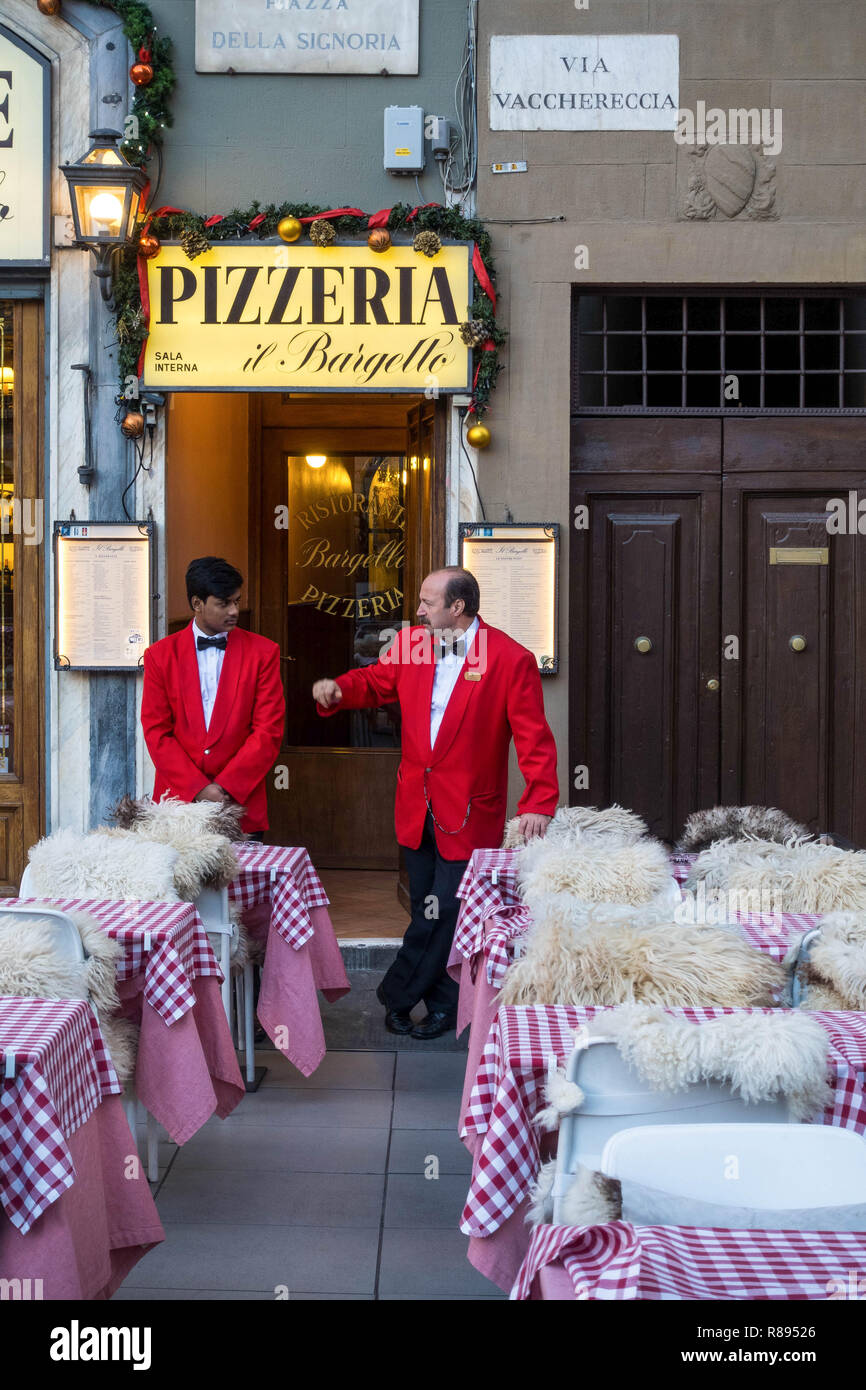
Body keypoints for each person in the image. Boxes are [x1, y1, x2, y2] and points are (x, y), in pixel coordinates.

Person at [313, 566, 558, 1038]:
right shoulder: (412, 645)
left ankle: (397, 993)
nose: (418, 611)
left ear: (457, 608)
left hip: (471, 809)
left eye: (427, 603)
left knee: (448, 910)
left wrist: (538, 802)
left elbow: (534, 739)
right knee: (427, 907)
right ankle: (442, 1005)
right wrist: (339, 691)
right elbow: (375, 681)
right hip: (415, 802)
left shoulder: (509, 658)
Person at [141, 556, 285, 840]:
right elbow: (156, 731)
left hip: (239, 803)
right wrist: (197, 788)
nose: (234, 610)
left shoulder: (264, 653)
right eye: (224, 603)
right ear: (197, 604)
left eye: (237, 601)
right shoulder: (159, 656)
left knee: (240, 884)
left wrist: (225, 787)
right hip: (178, 804)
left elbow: (269, 731)